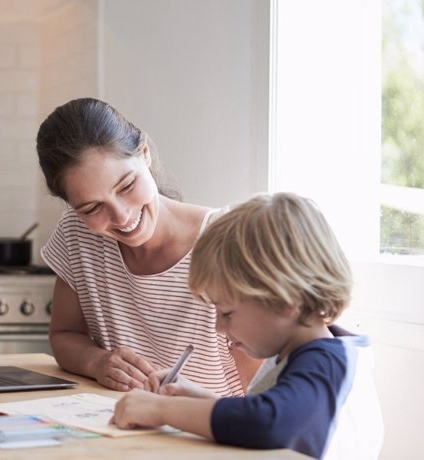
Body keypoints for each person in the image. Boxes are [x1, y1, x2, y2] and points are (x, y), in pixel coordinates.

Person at [112, 192, 384, 459]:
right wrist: (193, 397)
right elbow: (258, 411)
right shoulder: (305, 354)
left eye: (227, 313)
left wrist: (161, 411)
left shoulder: (325, 363)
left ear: (284, 299)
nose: (219, 326)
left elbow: (268, 423)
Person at [36, 97, 260, 395]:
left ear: (145, 154)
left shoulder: (231, 242)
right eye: (92, 208)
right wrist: (98, 362)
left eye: (127, 186)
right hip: (123, 428)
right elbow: (64, 335)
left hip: (214, 432)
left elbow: (263, 397)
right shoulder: (76, 234)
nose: (121, 216)